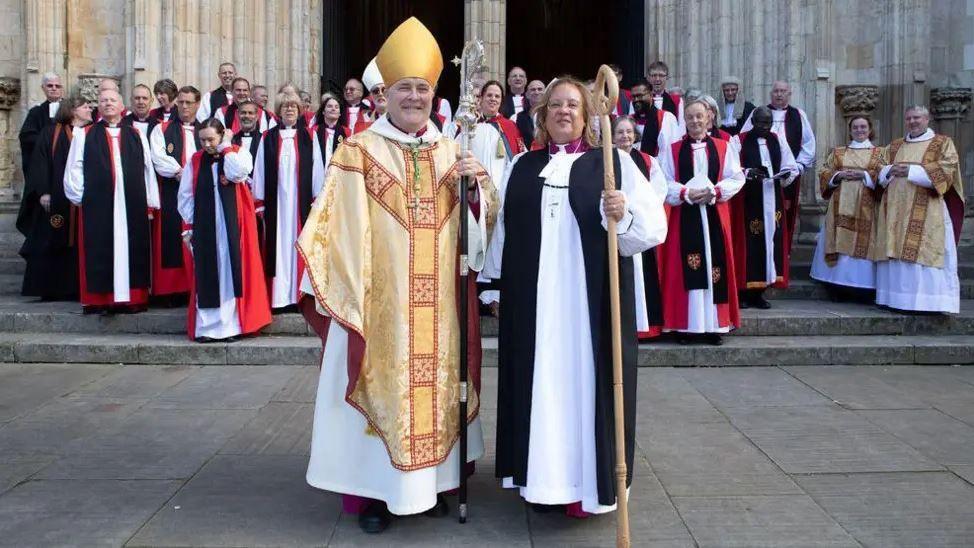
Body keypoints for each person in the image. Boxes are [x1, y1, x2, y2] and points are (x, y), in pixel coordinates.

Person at [297, 17, 498, 533]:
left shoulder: (454, 151)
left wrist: (478, 195)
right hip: (381, 306)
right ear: (385, 93)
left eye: (423, 89)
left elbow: (476, 238)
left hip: (438, 315)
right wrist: (354, 289)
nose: (414, 97)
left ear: (434, 96)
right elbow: (332, 228)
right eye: (405, 88)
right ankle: (373, 497)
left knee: (434, 392)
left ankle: (427, 487)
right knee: (380, 389)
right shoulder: (358, 152)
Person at [485, 77, 666, 517]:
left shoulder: (612, 163)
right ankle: (541, 482)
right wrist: (491, 282)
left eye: (573, 105)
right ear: (542, 115)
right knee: (539, 384)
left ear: (587, 117)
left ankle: (587, 487)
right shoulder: (523, 167)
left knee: (586, 385)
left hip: (589, 305)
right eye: (555, 105)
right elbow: (503, 232)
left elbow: (652, 230)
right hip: (533, 305)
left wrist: (622, 215)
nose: (564, 111)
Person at [657, 98, 745, 345]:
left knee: (713, 268)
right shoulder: (673, 149)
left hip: (713, 216)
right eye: (690, 117)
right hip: (685, 216)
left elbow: (736, 177)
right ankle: (686, 327)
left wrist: (715, 192)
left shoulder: (723, 147)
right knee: (685, 268)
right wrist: (685, 193)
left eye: (700, 116)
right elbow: (663, 181)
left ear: (709, 119)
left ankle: (713, 326)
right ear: (684, 121)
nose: (695, 121)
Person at [64, 89, 159, 314]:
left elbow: (147, 169)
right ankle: (100, 299)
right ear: (98, 105)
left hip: (132, 201)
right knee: (100, 246)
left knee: (132, 247)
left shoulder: (136, 133)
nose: (108, 104)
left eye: (112, 100)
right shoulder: (84, 134)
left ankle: (132, 299)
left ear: (121, 105)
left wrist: (150, 200)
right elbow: (74, 166)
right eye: (103, 100)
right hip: (99, 202)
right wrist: (80, 196)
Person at [178, 119, 271, 342]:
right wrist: (189, 225)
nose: (207, 144)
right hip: (206, 223)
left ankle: (230, 327)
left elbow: (237, 173)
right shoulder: (196, 160)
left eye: (212, 139)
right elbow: (185, 195)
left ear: (222, 136)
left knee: (231, 272)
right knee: (209, 272)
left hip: (233, 223)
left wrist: (226, 147)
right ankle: (208, 328)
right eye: (203, 140)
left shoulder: (238, 153)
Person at [874, 106, 963, 314]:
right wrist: (889, 170)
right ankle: (896, 299)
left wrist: (911, 170)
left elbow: (948, 169)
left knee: (923, 252)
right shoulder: (895, 146)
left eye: (917, 118)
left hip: (928, 209)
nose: (913, 122)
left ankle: (928, 302)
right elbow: (878, 167)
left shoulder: (942, 143)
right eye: (909, 118)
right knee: (895, 252)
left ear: (927, 119)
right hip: (895, 209)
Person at [252, 91, 326, 312]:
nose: (289, 110)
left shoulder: (309, 137)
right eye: (285, 106)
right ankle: (278, 298)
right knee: (277, 248)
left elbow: (317, 170)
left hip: (299, 206)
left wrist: (316, 200)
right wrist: (261, 202)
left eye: (293, 106)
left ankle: (298, 296)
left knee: (298, 246)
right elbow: (259, 170)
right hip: (276, 206)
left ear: (299, 110)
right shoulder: (267, 137)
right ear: (278, 110)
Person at [17, 94, 91, 301]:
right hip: (56, 198)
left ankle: (77, 287)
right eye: (86, 107)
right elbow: (39, 163)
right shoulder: (51, 133)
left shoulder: (90, 133)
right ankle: (51, 288)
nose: (90, 110)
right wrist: (43, 191)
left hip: (82, 200)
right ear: (74, 110)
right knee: (52, 238)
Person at [729, 106, 800, 309]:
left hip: (772, 199)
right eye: (760, 122)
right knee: (749, 244)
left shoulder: (777, 139)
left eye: (768, 123)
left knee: (771, 243)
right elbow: (731, 169)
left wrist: (787, 174)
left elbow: (790, 165)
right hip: (749, 201)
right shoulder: (739, 141)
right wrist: (748, 172)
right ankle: (744, 291)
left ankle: (759, 293)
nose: (764, 126)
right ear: (753, 121)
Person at [810, 116, 885, 301]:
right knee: (839, 243)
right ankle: (836, 286)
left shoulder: (879, 153)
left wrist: (865, 175)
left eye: (863, 127)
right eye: (856, 127)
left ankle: (863, 288)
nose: (859, 130)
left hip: (866, 207)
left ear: (870, 129)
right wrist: (838, 175)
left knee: (863, 244)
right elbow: (824, 172)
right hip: (839, 204)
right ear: (850, 130)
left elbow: (884, 174)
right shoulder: (838, 152)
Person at [741, 80, 816, 252]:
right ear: (771, 93)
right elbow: (743, 138)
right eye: (776, 91)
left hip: (787, 175)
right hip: (759, 176)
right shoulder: (759, 113)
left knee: (783, 213)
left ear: (789, 94)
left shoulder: (798, 115)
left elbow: (809, 144)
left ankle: (783, 251)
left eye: (783, 91)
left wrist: (798, 166)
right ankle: (757, 251)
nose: (779, 94)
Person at [612, 115, 669, 339]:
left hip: (638, 228)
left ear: (635, 135)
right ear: (612, 136)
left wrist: (634, 209)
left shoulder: (648, 161)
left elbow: (658, 191)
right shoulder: (605, 159)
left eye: (629, 132)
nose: (625, 136)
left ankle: (645, 328)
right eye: (620, 132)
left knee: (643, 277)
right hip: (614, 228)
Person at [149, 86, 203, 304]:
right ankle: (171, 291)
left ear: (198, 104)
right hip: (172, 189)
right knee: (171, 239)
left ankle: (195, 286)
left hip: (200, 191)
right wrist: (178, 171)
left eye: (189, 102)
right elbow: (158, 156)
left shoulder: (207, 128)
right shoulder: (162, 129)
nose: (184, 107)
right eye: (181, 102)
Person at [19, 72, 63, 177]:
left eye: (57, 86)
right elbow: (26, 137)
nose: (54, 88)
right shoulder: (36, 112)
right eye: (50, 85)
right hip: (44, 163)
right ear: (43, 88)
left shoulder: (72, 109)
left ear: (62, 88)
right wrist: (48, 140)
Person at [631, 79, 682, 157]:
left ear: (651, 95)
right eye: (633, 97)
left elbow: (670, 153)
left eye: (640, 96)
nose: (636, 100)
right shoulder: (629, 121)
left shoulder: (666, 119)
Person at [312, 93, 350, 168]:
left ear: (340, 113)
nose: (333, 109)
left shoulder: (348, 133)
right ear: (323, 112)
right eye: (329, 106)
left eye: (336, 107)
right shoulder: (313, 132)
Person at [646, 61, 683, 130]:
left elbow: (681, 126)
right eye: (654, 75)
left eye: (661, 75)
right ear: (648, 78)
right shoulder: (641, 99)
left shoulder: (676, 101)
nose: (657, 79)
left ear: (667, 77)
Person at [512, 79, 545, 149]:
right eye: (533, 90)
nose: (536, 92)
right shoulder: (516, 118)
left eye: (540, 89)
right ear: (527, 95)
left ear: (545, 93)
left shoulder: (553, 115)